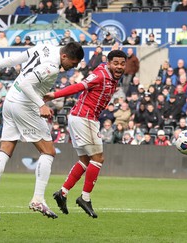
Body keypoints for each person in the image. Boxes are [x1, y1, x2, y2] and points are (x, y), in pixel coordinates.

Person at [0, 42, 84, 221]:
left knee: (6, 149)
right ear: (64, 56)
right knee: (48, 151)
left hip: (10, 100)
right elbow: (25, 84)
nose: (74, 67)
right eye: (74, 62)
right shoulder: (52, 67)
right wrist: (40, 104)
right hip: (23, 104)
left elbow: (17, 58)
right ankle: (38, 199)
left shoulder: (46, 47)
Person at [44, 49, 127, 218]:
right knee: (98, 158)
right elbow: (80, 86)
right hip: (85, 117)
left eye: (122, 63)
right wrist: (54, 95)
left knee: (85, 160)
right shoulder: (101, 75)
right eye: (115, 63)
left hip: (81, 117)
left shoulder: (112, 76)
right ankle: (85, 197)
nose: (119, 66)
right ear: (109, 63)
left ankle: (63, 192)